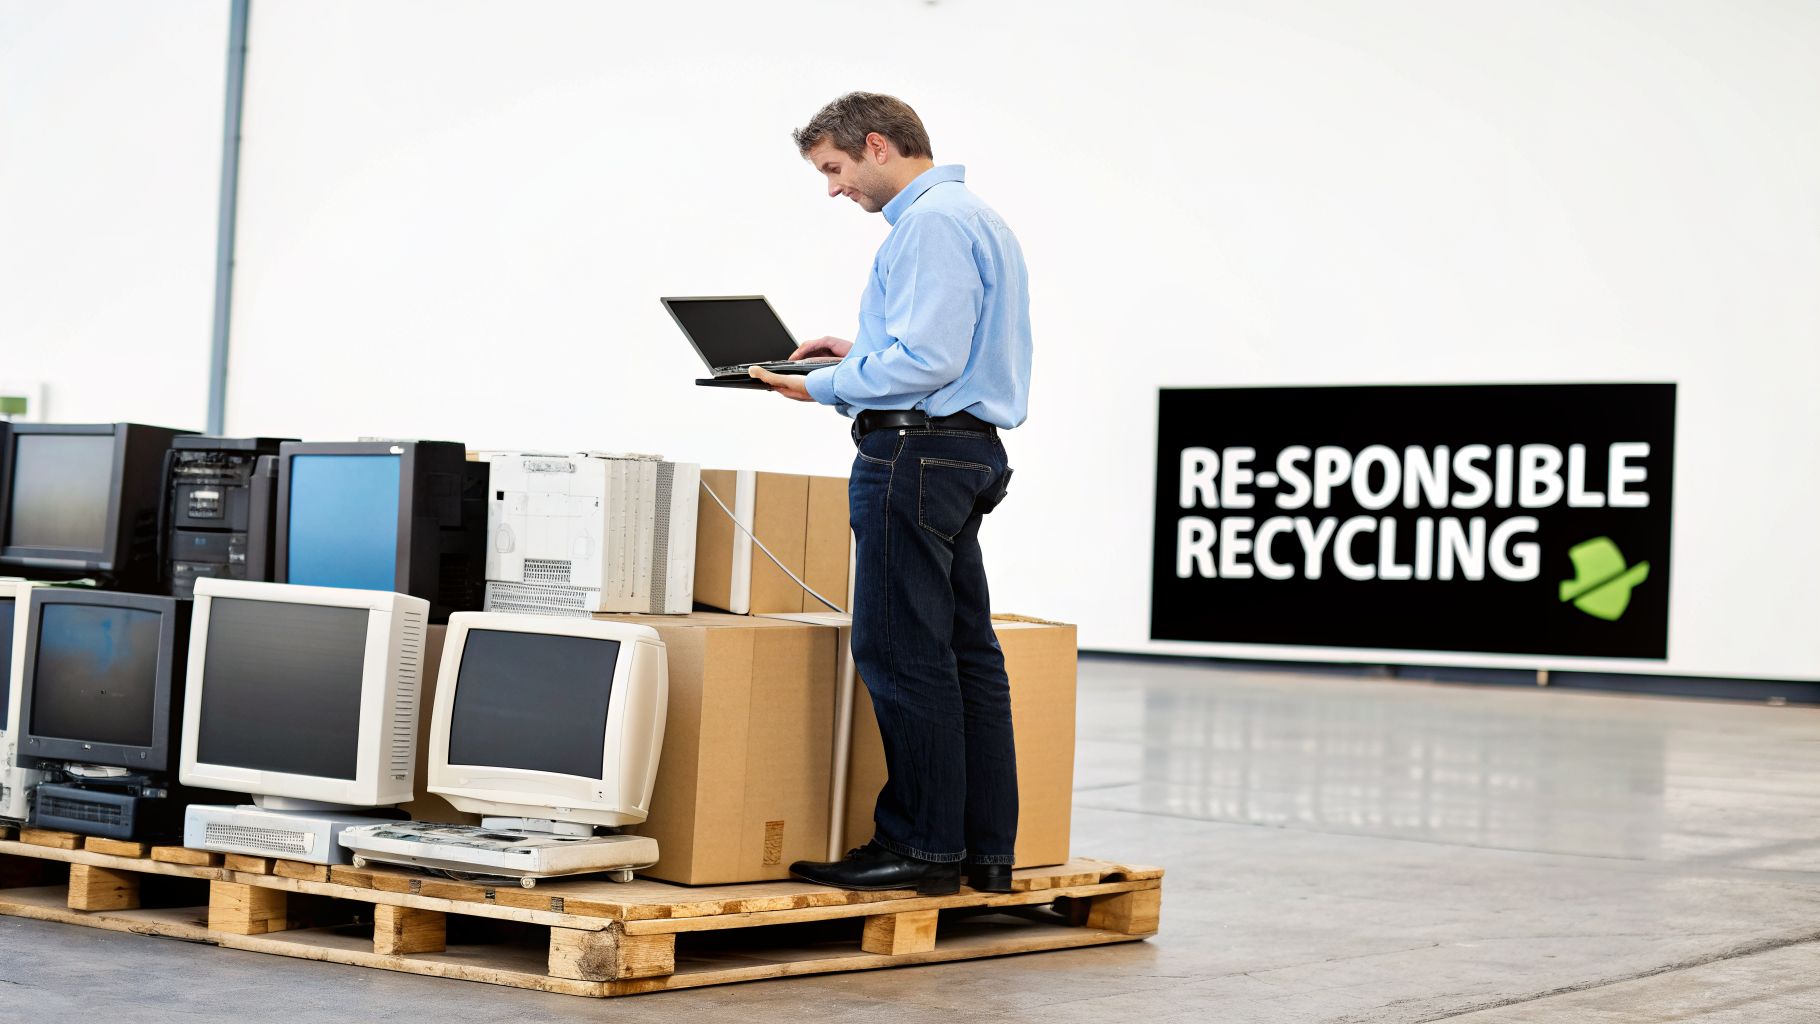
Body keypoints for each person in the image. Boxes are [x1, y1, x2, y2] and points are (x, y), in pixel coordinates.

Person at [749, 92, 1032, 896]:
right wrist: (860, 348)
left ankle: (921, 847)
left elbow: (931, 360)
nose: (834, 189)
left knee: (901, 653)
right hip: (964, 453)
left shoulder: (930, 223)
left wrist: (828, 385)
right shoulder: (972, 215)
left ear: (876, 145)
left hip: (913, 453)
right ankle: (982, 852)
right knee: (966, 656)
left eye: (835, 169)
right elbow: (947, 345)